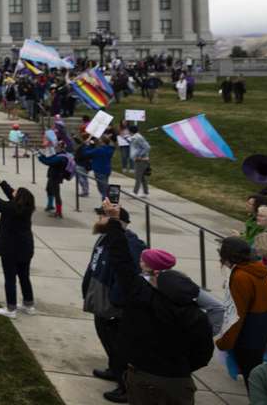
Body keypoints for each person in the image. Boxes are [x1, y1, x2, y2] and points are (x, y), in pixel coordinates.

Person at [97, 200, 213, 404]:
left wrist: (114, 220)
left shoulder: (143, 297)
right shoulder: (196, 315)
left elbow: (121, 260)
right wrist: (180, 367)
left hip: (144, 376)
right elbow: (203, 353)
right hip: (179, 381)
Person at [83, 206, 147, 403]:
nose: (98, 218)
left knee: (120, 347)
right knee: (106, 338)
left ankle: (125, 386)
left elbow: (127, 275)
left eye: (102, 216)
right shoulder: (105, 237)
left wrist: (116, 303)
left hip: (113, 304)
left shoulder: (132, 244)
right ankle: (114, 369)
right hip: (99, 296)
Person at [215, 236, 267, 389]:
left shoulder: (240, 276)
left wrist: (224, 342)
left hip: (249, 334)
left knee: (254, 381)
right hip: (264, 329)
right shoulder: (258, 270)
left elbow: (236, 315)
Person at [0, 170, 36, 318]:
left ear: (18, 198)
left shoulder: (10, 208)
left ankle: (11, 309)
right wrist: (0, 180)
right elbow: (11, 193)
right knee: (24, 276)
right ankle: (28, 304)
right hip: (26, 248)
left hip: (11, 250)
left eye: (16, 191)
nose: (13, 191)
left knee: (10, 278)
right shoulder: (26, 207)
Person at [37, 142, 73, 219]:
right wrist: (42, 154)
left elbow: (48, 162)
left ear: (61, 148)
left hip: (56, 177)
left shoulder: (61, 158)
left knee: (57, 194)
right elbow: (50, 158)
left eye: (56, 147)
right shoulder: (60, 155)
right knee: (49, 189)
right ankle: (50, 205)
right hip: (53, 176)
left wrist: (39, 156)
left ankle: (59, 212)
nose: (54, 148)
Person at [128, 127, 151, 196]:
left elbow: (147, 147)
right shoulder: (135, 137)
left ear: (131, 131)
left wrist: (139, 156)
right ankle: (145, 192)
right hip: (139, 159)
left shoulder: (138, 138)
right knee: (142, 177)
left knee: (138, 176)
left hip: (141, 160)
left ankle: (135, 192)